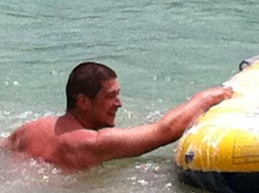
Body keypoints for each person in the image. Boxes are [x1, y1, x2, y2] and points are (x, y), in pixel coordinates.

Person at [1, 61, 232, 171]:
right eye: (111, 96)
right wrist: (205, 98)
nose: (119, 103)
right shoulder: (90, 143)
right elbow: (164, 131)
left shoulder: (31, 129)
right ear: (83, 102)